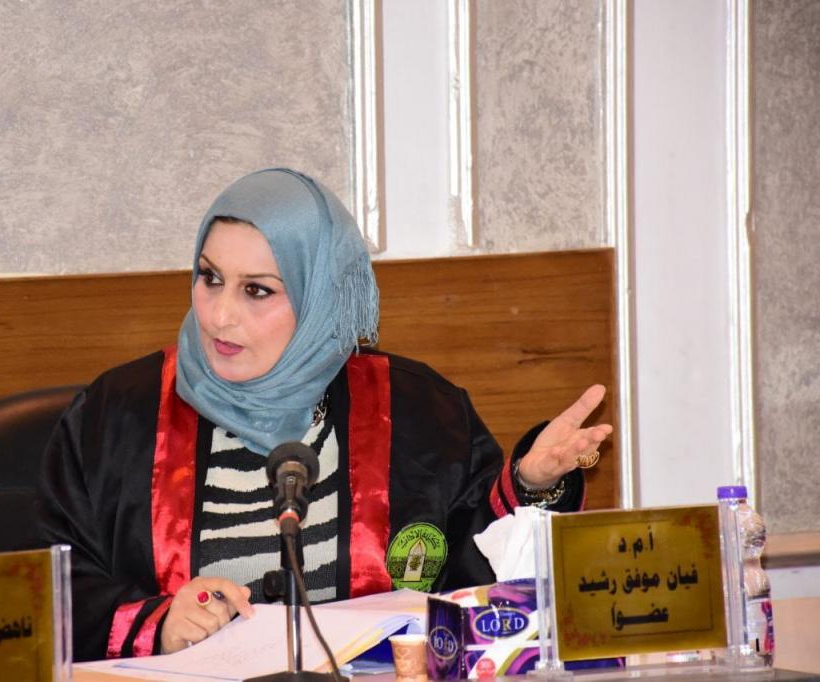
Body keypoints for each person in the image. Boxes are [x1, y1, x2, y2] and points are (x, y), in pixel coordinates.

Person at [37, 168, 612, 661]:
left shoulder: (417, 412)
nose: (219, 316)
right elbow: (50, 584)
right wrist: (156, 625)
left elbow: (473, 568)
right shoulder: (118, 415)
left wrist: (531, 485)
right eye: (210, 279)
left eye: (257, 291)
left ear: (319, 297)